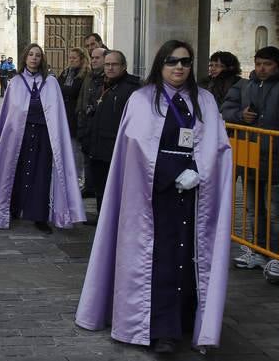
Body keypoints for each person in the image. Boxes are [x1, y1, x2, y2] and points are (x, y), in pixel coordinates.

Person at [76, 40, 232, 354]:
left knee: (187, 258)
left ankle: (186, 318)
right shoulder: (142, 100)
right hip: (153, 197)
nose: (179, 67)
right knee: (159, 260)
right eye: (172, 61)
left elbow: (218, 146)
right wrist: (167, 175)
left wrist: (199, 172)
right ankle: (162, 329)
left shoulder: (205, 101)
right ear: (160, 64)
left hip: (194, 198)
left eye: (185, 62)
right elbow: (134, 147)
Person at [0, 43, 85, 233]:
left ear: (42, 59)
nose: (34, 58)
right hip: (18, 136)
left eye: (38, 55)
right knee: (15, 170)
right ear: (25, 57)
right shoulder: (16, 82)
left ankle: (39, 215)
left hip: (44, 135)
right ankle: (12, 208)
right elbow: (9, 113)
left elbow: (56, 113)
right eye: (31, 54)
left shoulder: (51, 83)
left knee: (41, 173)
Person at [222, 46, 279, 284]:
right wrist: (241, 115)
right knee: (252, 207)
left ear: (278, 66)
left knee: (275, 212)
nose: (261, 68)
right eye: (258, 63)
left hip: (276, 159)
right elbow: (226, 109)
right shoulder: (245, 86)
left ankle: (277, 255)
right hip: (250, 159)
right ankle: (257, 250)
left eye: (267, 64)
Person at [83, 50, 140, 223]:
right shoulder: (101, 84)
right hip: (97, 145)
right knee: (100, 186)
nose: (110, 68)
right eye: (107, 64)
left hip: (116, 147)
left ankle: (115, 221)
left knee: (116, 188)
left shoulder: (132, 89)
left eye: (114, 64)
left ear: (123, 66)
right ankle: (102, 218)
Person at [76, 47, 107, 197]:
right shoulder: (89, 76)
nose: (93, 60)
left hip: (100, 128)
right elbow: (82, 97)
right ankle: (89, 187)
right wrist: (80, 117)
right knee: (87, 159)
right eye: (92, 58)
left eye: (97, 58)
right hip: (86, 125)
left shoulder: (107, 78)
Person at [57, 47, 90, 186]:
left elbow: (78, 93)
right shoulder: (66, 73)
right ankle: (65, 172)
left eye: (74, 58)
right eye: (70, 57)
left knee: (75, 146)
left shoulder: (85, 75)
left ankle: (78, 175)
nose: (71, 60)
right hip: (63, 112)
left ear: (82, 59)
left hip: (75, 114)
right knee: (64, 144)